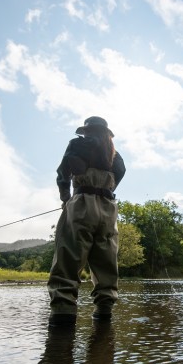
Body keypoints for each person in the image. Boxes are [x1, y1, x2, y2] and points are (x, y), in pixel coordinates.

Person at [48, 116, 126, 326]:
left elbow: (62, 173)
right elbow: (120, 173)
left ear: (87, 131)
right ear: (107, 134)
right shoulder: (115, 154)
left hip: (82, 204)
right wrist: (105, 190)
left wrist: (66, 198)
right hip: (108, 208)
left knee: (68, 257)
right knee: (106, 260)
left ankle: (62, 319)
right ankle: (103, 314)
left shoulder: (77, 144)